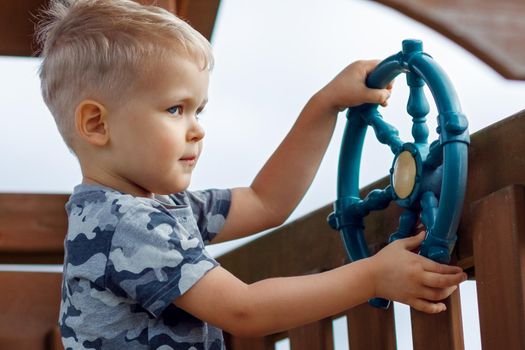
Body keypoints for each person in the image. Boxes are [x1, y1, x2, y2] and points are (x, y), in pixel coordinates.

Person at [36, 0, 467, 349]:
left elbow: (266, 202)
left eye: (198, 109)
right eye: (175, 109)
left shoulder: (155, 207)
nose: (197, 128)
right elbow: (244, 310)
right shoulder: (126, 225)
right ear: (96, 124)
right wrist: (371, 276)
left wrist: (325, 105)